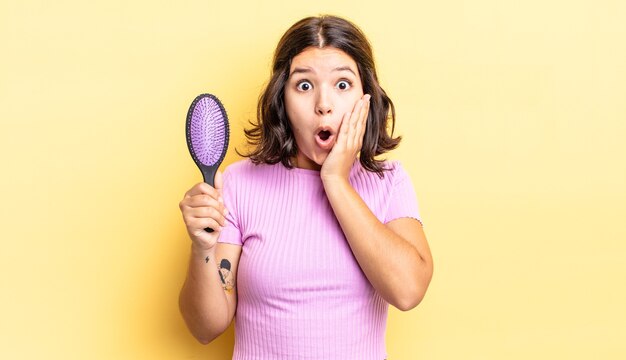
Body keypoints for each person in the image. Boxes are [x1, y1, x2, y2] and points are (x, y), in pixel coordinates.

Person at [178, 15, 433, 360]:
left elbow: (408, 291)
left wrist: (335, 180)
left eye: (342, 85)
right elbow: (205, 327)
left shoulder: (388, 181)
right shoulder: (238, 183)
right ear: (281, 100)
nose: (323, 104)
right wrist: (201, 249)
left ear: (366, 97)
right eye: (304, 85)